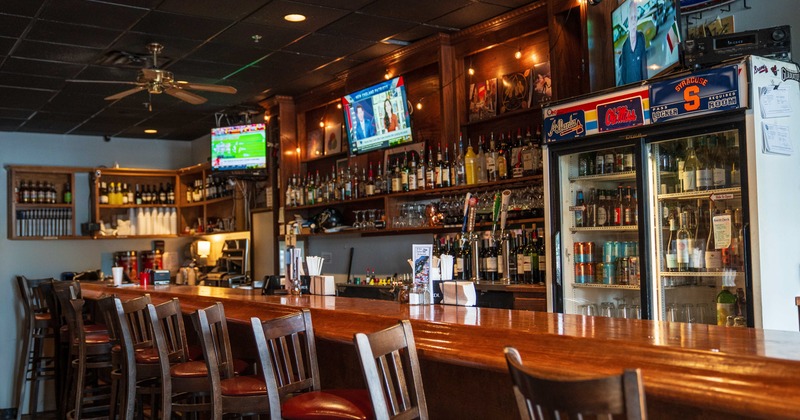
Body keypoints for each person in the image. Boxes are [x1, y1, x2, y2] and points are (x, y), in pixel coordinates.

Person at [619, 0, 647, 85]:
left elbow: (644, 70)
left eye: (635, 17)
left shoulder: (641, 38)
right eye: (631, 18)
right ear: (628, 22)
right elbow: (623, 76)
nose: (634, 22)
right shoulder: (625, 46)